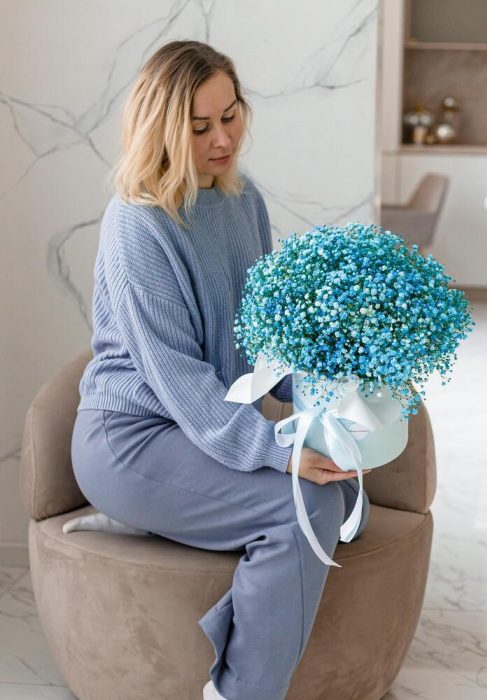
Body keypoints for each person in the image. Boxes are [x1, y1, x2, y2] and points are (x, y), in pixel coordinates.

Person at [70, 40, 370, 700]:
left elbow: (263, 340)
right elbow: (179, 379)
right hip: (132, 440)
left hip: (198, 430)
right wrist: (276, 450)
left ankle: (161, 522)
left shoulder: (242, 200)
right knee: (306, 507)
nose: (223, 139)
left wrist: (336, 392)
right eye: (200, 127)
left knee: (346, 491)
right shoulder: (138, 223)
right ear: (162, 130)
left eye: (230, 116)